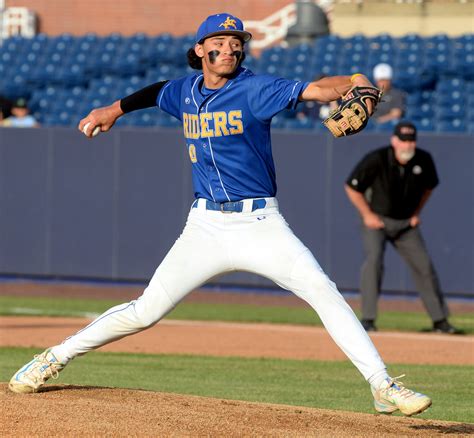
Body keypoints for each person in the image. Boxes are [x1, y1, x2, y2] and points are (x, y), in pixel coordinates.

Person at [9, 13, 432, 417]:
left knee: (323, 291)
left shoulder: (256, 89)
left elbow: (319, 90)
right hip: (205, 226)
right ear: (200, 49)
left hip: (260, 223)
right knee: (146, 310)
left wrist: (355, 82)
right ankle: (51, 359)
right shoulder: (184, 91)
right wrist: (111, 111)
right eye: (219, 43)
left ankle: (382, 385)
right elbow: (155, 91)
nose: (229, 49)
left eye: (236, 43)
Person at [345, 121, 462, 334]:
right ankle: (368, 319)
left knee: (424, 266)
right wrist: (367, 214)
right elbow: (352, 187)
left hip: (406, 224)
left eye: (411, 141)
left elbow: (429, 188)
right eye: (403, 140)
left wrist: (416, 213)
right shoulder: (377, 159)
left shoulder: (423, 160)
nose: (407, 145)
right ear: (394, 140)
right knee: (374, 263)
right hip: (378, 221)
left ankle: (440, 321)